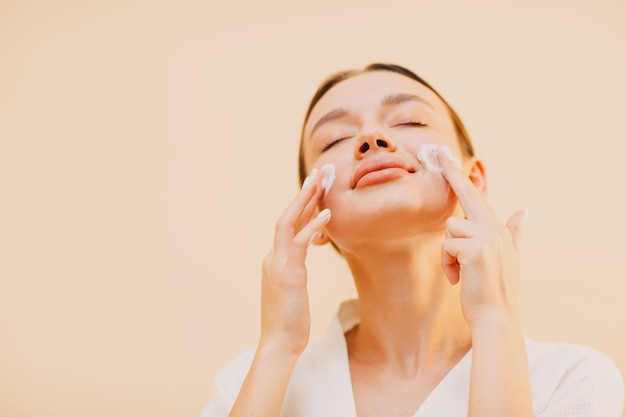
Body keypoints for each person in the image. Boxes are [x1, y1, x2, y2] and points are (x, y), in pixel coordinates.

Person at [200, 63, 624, 417]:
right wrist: (277, 345)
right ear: (313, 212)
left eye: (409, 121)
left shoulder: (573, 379)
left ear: (472, 178)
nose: (372, 140)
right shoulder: (250, 384)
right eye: (335, 139)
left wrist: (496, 320)